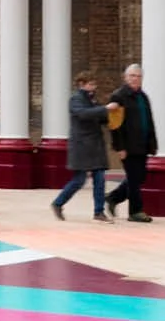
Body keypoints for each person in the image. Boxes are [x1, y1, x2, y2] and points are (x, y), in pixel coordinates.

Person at [52, 72, 118, 222]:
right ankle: (58, 203)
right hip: (81, 146)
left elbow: (100, 117)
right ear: (81, 84)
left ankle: (99, 212)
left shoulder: (92, 100)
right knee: (79, 180)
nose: (93, 87)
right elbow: (83, 114)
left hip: (95, 145)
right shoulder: (75, 99)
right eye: (90, 84)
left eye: (94, 84)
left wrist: (111, 116)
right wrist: (105, 108)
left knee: (100, 179)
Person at [104, 63, 158, 223]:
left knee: (139, 177)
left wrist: (152, 143)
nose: (135, 79)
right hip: (128, 145)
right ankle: (135, 212)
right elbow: (114, 125)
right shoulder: (118, 96)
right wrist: (120, 147)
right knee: (134, 179)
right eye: (132, 76)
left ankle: (113, 197)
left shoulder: (143, 97)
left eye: (138, 76)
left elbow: (149, 121)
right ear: (125, 77)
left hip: (142, 144)